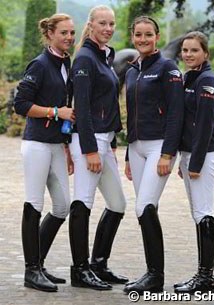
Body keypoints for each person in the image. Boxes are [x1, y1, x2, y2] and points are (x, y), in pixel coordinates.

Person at [14, 14, 75, 292]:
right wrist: (54, 112)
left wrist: (67, 145)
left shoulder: (66, 63)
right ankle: (31, 271)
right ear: (50, 34)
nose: (69, 38)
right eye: (63, 33)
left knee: (63, 206)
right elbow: (21, 104)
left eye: (72, 33)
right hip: (37, 144)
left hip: (57, 145)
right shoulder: (39, 64)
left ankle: (37, 262)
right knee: (34, 203)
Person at [123, 16, 184, 295]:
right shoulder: (132, 69)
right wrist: (127, 154)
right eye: (138, 35)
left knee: (144, 206)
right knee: (146, 209)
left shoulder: (168, 67)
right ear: (133, 37)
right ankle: (152, 273)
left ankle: (155, 277)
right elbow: (131, 115)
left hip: (159, 146)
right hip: (136, 147)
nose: (143, 39)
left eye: (148, 34)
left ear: (157, 37)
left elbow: (176, 113)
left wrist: (168, 153)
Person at [69, 5, 128, 290]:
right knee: (83, 201)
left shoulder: (105, 56)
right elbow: (82, 105)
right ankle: (79, 270)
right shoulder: (84, 58)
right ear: (91, 25)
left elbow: (108, 104)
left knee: (117, 204)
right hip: (87, 141)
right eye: (102, 23)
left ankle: (98, 264)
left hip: (105, 141)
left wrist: (112, 142)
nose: (108, 28)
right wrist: (91, 149)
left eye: (111, 24)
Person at [173, 31, 214, 294]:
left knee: (204, 212)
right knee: (197, 213)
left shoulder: (207, 81)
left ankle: (205, 279)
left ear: (206, 53)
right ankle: (202, 276)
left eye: (194, 50)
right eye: (185, 50)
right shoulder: (189, 77)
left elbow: (204, 128)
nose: (188, 54)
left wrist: (195, 164)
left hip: (202, 155)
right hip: (189, 154)